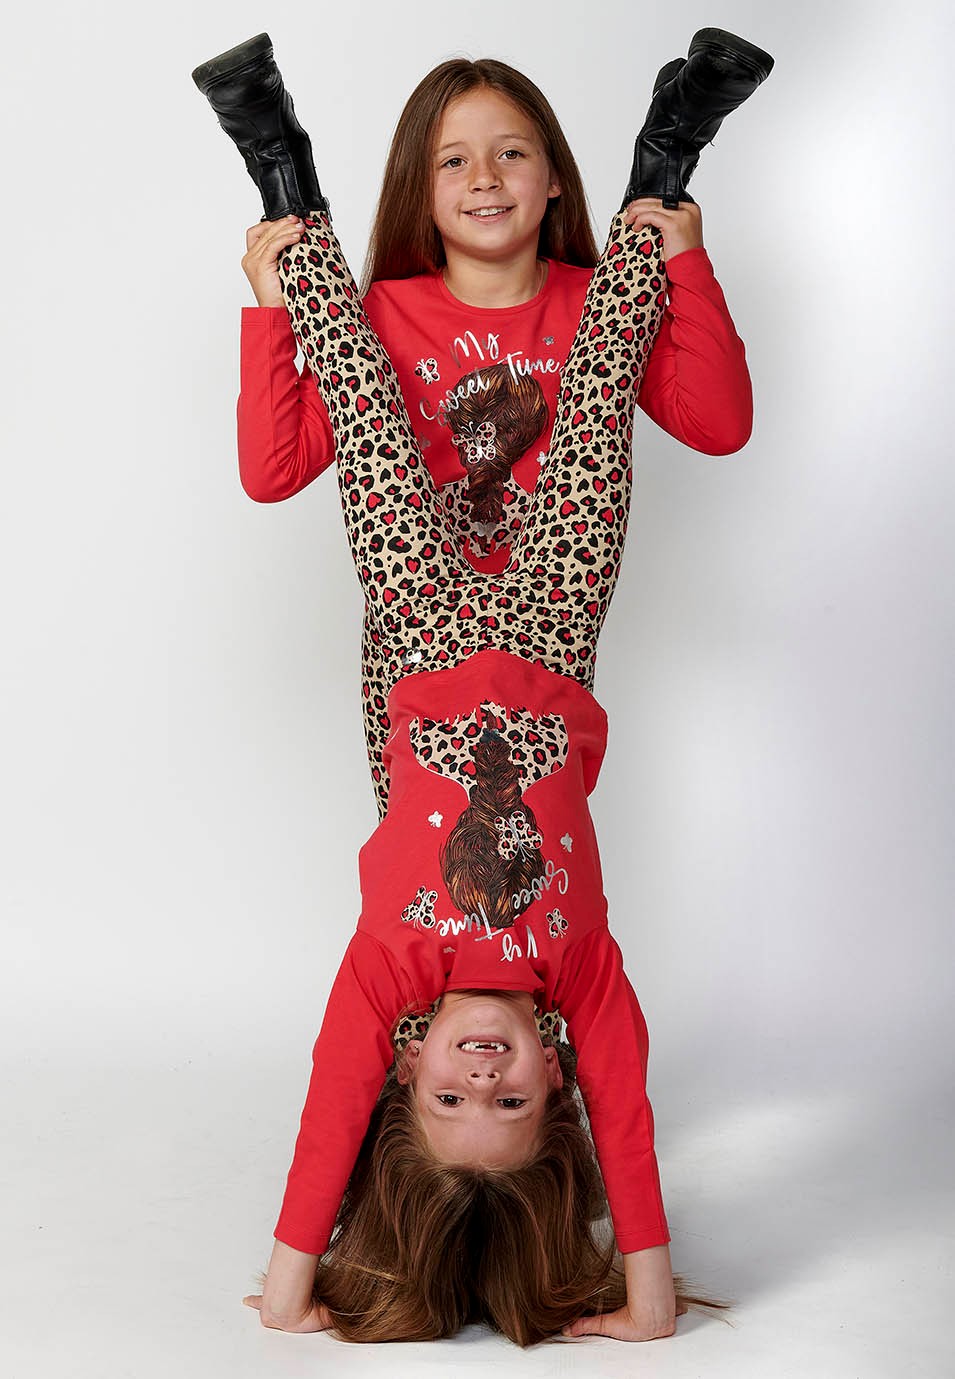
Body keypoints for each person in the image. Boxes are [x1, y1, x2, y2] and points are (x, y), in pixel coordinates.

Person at [192, 30, 772, 1345]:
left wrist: (293, 1283)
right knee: (583, 444)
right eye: (509, 1101)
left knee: (393, 502)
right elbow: (623, 1123)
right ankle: (663, 154)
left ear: (409, 1067)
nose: (480, 1073)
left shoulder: (388, 967)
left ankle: (280, 174)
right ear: (548, 1075)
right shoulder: (575, 972)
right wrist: (647, 1289)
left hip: (417, 665)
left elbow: (331, 1102)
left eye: (451, 1098)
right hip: (551, 640)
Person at [230, 47, 762, 817]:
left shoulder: (601, 305)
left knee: (543, 855)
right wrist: (273, 311)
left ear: (552, 179)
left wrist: (683, 260)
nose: (484, 176)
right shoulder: (381, 315)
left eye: (510, 153)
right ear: (423, 190)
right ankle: (281, 177)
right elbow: (271, 470)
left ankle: (665, 166)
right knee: (424, 848)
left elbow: (719, 426)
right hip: (416, 629)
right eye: (453, 161)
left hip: (553, 610)